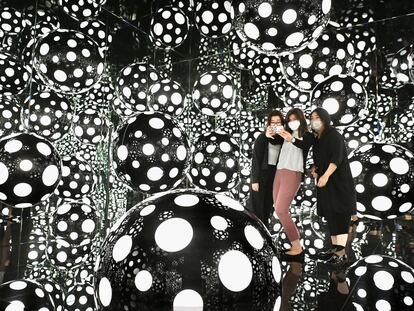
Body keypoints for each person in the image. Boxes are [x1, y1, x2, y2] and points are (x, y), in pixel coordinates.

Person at [284, 107, 356, 266]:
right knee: (331, 214)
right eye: (312, 117)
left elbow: (336, 158)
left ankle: (341, 253)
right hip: (325, 181)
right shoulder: (318, 138)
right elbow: (318, 158)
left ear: (324, 118)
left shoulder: (333, 135)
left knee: (341, 215)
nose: (314, 120)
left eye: (317, 117)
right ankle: (335, 249)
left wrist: (326, 175)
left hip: (339, 182)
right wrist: (315, 171)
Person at [273, 108, 314, 260]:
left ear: (301, 119)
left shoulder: (307, 135)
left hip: (293, 173)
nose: (292, 122)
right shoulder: (284, 134)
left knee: (281, 210)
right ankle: (295, 246)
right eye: (289, 120)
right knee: (277, 210)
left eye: (294, 119)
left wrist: (292, 139)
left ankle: (297, 247)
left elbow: (305, 146)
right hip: (279, 172)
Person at [250, 110, 284, 226]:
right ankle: (258, 231)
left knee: (268, 206)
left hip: (274, 176)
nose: (275, 125)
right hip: (261, 175)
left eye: (278, 122)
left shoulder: (283, 139)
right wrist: (255, 180)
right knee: (258, 208)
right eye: (273, 122)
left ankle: (265, 231)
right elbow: (255, 160)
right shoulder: (262, 138)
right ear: (269, 124)